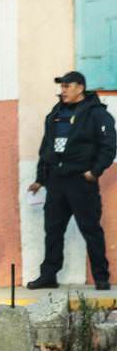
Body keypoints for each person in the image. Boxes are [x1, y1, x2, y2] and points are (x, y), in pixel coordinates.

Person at [27, 71, 117, 290]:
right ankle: (48, 275)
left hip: (81, 181)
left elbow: (109, 146)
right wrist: (40, 179)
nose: (63, 90)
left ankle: (101, 277)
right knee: (53, 230)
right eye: (62, 86)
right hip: (56, 181)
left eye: (68, 86)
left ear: (80, 88)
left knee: (91, 229)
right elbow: (46, 147)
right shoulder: (55, 113)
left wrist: (94, 172)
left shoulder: (96, 114)